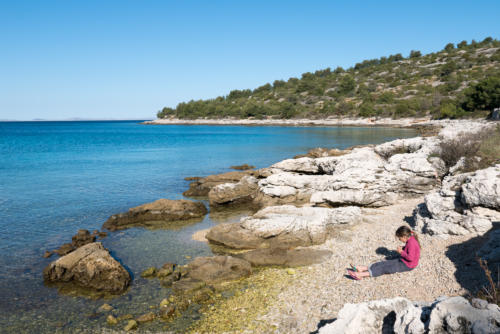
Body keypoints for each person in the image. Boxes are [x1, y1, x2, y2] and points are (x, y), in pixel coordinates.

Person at [347, 225, 421, 280]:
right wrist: (404, 248)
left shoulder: (411, 243)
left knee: (385, 268)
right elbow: (411, 250)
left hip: (408, 265)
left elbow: (410, 258)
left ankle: (361, 275)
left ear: (404, 236)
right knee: (384, 263)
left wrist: (401, 252)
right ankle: (363, 268)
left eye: (399, 238)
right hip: (404, 261)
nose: (399, 239)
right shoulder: (411, 239)